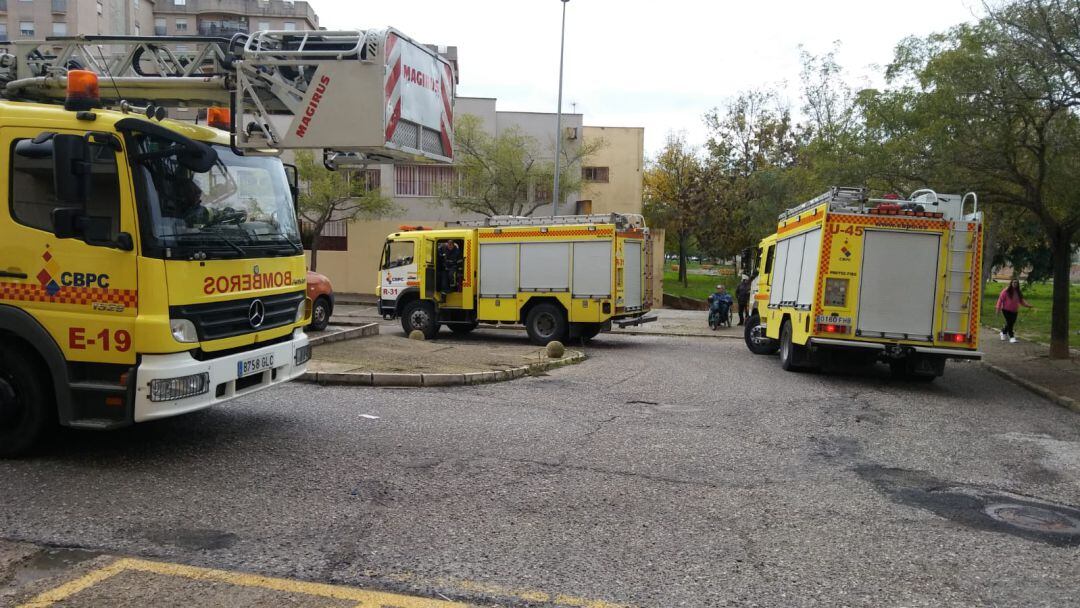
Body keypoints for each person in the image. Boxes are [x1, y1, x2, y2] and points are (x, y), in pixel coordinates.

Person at [995, 279, 1033, 344]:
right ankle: (1012, 337)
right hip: (1006, 310)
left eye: (1016, 283)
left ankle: (1003, 332)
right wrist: (998, 308)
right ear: (1011, 283)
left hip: (1014, 310)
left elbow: (1021, 301)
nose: (1015, 284)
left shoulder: (1018, 292)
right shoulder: (1006, 291)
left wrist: (1028, 305)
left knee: (1011, 322)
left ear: (1018, 284)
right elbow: (1000, 300)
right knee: (1010, 322)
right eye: (1013, 282)